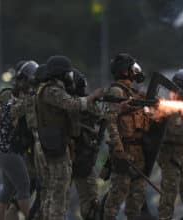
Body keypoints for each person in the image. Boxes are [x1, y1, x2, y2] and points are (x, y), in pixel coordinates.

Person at [34, 55, 103, 220]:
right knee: (59, 194)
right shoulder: (52, 91)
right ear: (60, 74)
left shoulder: (51, 91)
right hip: (59, 148)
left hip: (60, 147)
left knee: (58, 193)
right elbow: (73, 104)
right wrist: (91, 98)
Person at [103, 53, 151, 220]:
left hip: (139, 153)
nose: (135, 71)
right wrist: (119, 149)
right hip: (124, 151)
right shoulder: (117, 91)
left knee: (136, 202)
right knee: (115, 200)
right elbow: (111, 120)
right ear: (125, 71)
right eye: (132, 68)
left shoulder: (135, 93)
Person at [0, 60, 39, 220]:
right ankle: (30, 217)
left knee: (7, 190)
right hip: (11, 152)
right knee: (24, 187)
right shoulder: (16, 103)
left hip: (2, 152)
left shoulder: (9, 101)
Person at [157, 69, 183, 220]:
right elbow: (174, 129)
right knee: (168, 200)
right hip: (171, 157)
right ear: (180, 85)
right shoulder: (170, 105)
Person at [67, 69, 102, 220]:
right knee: (89, 202)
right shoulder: (83, 104)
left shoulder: (59, 103)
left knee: (55, 201)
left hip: (66, 157)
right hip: (81, 157)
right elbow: (100, 116)